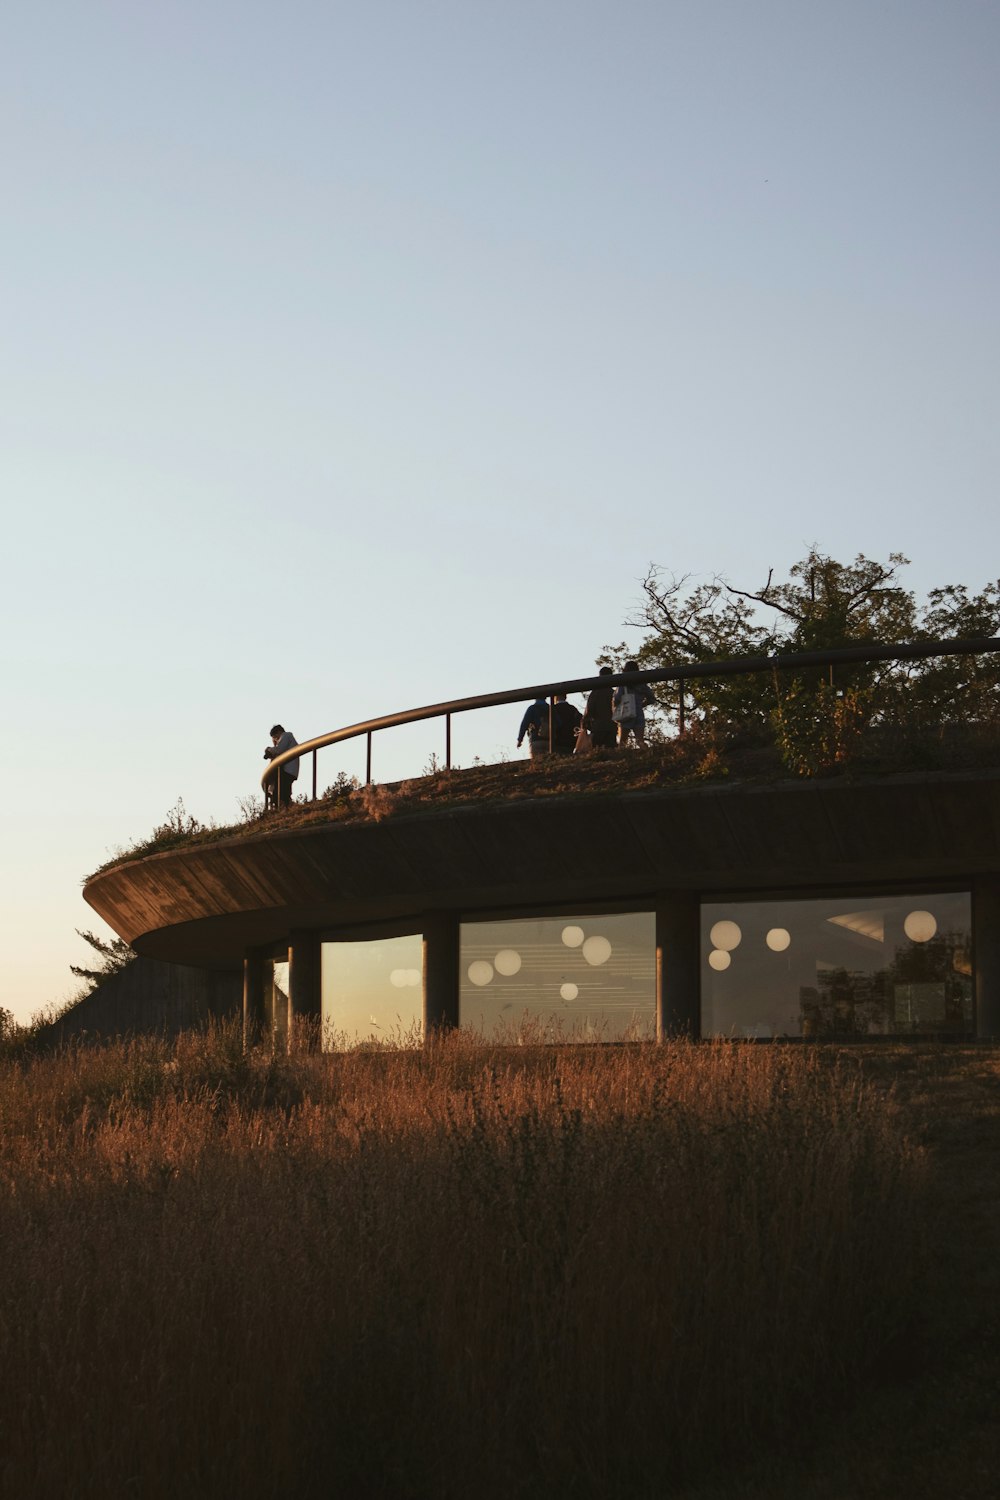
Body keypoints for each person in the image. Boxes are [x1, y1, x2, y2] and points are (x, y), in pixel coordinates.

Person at [613, 662, 656, 748]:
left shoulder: (623, 684)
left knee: (622, 742)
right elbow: (651, 698)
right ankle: (647, 756)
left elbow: (617, 698)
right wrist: (642, 704)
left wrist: (615, 708)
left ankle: (622, 759)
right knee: (640, 741)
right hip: (639, 713)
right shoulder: (642, 684)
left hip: (626, 713)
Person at [264, 724, 300, 808]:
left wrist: (269, 749)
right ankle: (286, 809)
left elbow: (279, 749)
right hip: (289, 771)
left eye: (275, 737)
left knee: (281, 792)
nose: (276, 739)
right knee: (284, 792)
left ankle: (281, 809)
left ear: (279, 732)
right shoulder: (289, 739)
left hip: (287, 770)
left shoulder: (286, 735)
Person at [583, 665, 617, 750]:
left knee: (597, 751)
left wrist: (585, 722)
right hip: (611, 727)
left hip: (598, 727)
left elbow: (589, 710)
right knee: (611, 751)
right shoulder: (614, 693)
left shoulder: (595, 693)